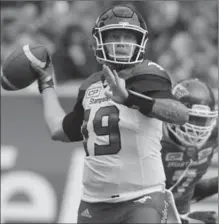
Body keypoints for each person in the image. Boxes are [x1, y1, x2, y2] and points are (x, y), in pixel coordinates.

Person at [31, 5, 189, 224]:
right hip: (94, 204)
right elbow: (59, 130)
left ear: (139, 42)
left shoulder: (148, 73)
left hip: (142, 197)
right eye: (115, 35)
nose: (122, 42)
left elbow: (180, 114)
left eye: (128, 36)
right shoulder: (91, 85)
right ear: (99, 41)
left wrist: (130, 98)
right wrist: (46, 84)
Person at [161, 78, 218, 224]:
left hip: (179, 213)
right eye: (191, 119)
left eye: (202, 120)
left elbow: (184, 188)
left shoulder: (213, 135)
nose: (196, 128)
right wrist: (188, 220)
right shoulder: (153, 138)